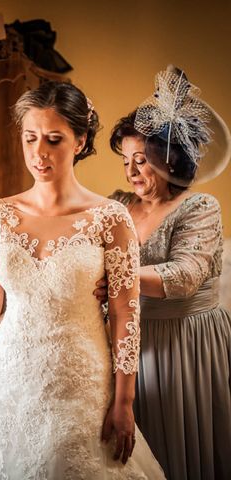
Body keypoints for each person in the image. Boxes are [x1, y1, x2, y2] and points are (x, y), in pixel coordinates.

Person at [0, 81, 165, 478]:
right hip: (11, 373)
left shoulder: (110, 218)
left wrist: (124, 399)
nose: (39, 153)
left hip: (80, 378)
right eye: (30, 138)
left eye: (53, 139)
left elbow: (124, 315)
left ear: (80, 142)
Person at [94, 67, 231, 480]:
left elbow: (186, 274)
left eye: (143, 160)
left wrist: (118, 275)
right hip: (128, 337)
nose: (132, 171)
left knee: (180, 443)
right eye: (126, 161)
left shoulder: (200, 207)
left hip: (185, 342)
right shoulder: (115, 205)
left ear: (170, 160)